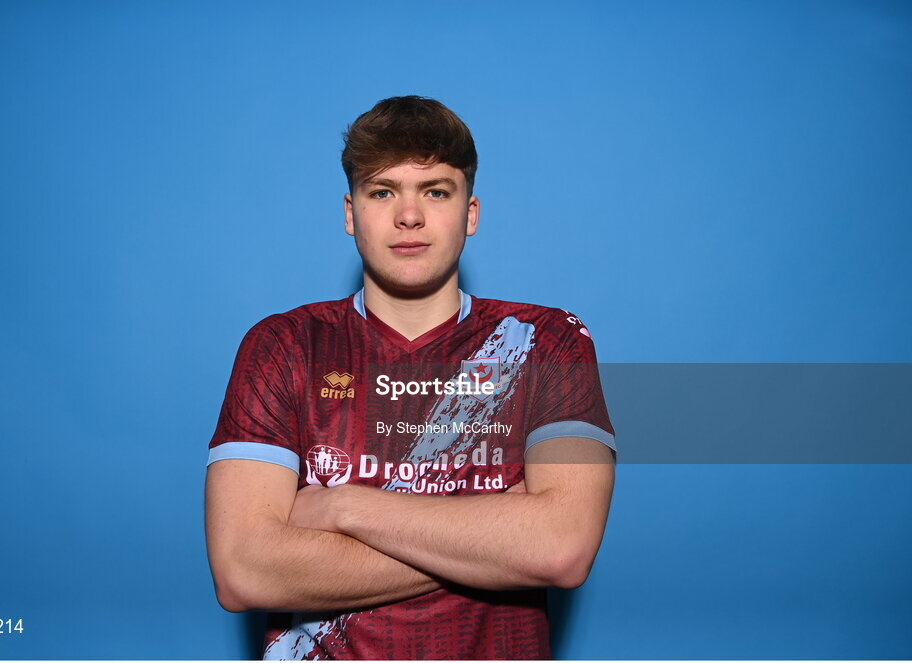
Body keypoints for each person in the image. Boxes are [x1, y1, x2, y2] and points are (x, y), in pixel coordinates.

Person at [204, 95, 616, 660]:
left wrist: (343, 507)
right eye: (382, 191)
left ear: (470, 213)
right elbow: (244, 571)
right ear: (351, 214)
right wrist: (496, 539)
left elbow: (561, 547)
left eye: (436, 191)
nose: (409, 216)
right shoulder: (283, 346)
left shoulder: (548, 341)